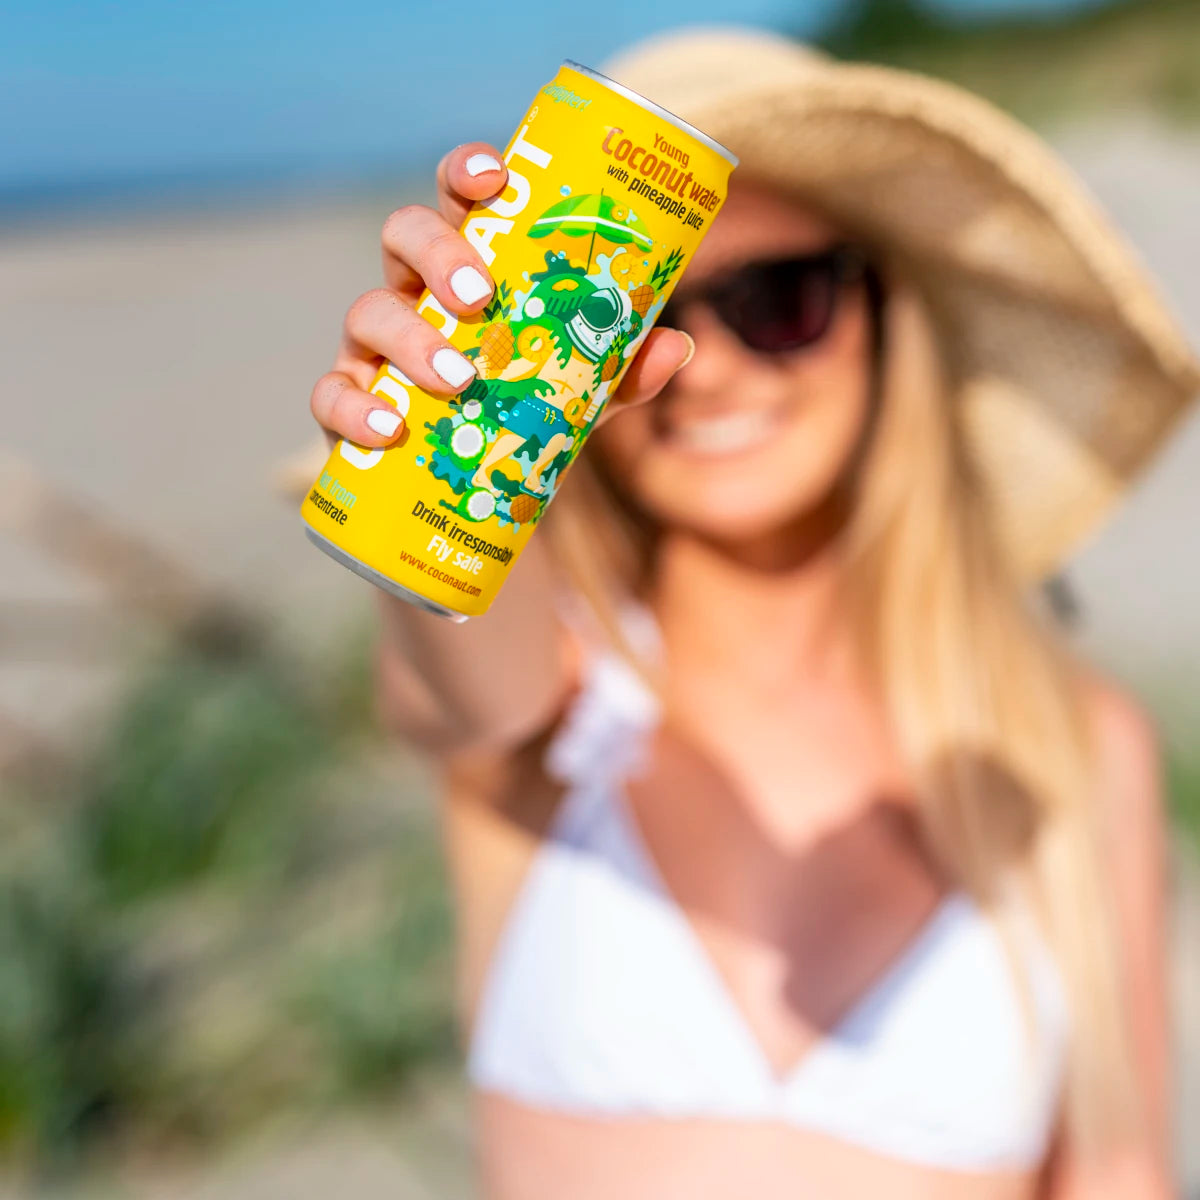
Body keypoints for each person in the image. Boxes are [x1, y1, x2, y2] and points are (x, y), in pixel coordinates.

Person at [304, 28, 1199, 1200]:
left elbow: (1117, 1170)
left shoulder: (1072, 747)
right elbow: (453, 669)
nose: (712, 367)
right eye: (647, 320)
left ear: (884, 320)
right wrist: (428, 433)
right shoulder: (558, 708)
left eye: (777, 301)